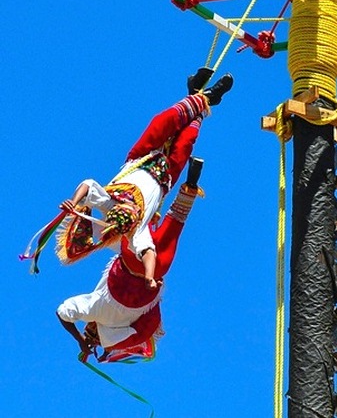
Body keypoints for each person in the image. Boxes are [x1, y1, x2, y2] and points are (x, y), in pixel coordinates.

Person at [57, 69, 233, 290]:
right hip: (165, 177)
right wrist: (149, 276)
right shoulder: (135, 232)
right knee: (186, 139)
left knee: (164, 121)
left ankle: (202, 95)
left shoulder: (108, 202)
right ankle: (201, 95)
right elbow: (149, 252)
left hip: (141, 158)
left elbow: (88, 184)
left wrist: (73, 203)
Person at [56, 157, 205, 361]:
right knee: (138, 227)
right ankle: (156, 205)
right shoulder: (94, 310)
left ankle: (190, 185)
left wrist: (154, 291)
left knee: (175, 222)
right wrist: (80, 339)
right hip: (132, 262)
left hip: (157, 271)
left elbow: (149, 325)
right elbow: (62, 313)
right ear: (92, 326)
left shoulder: (113, 333)